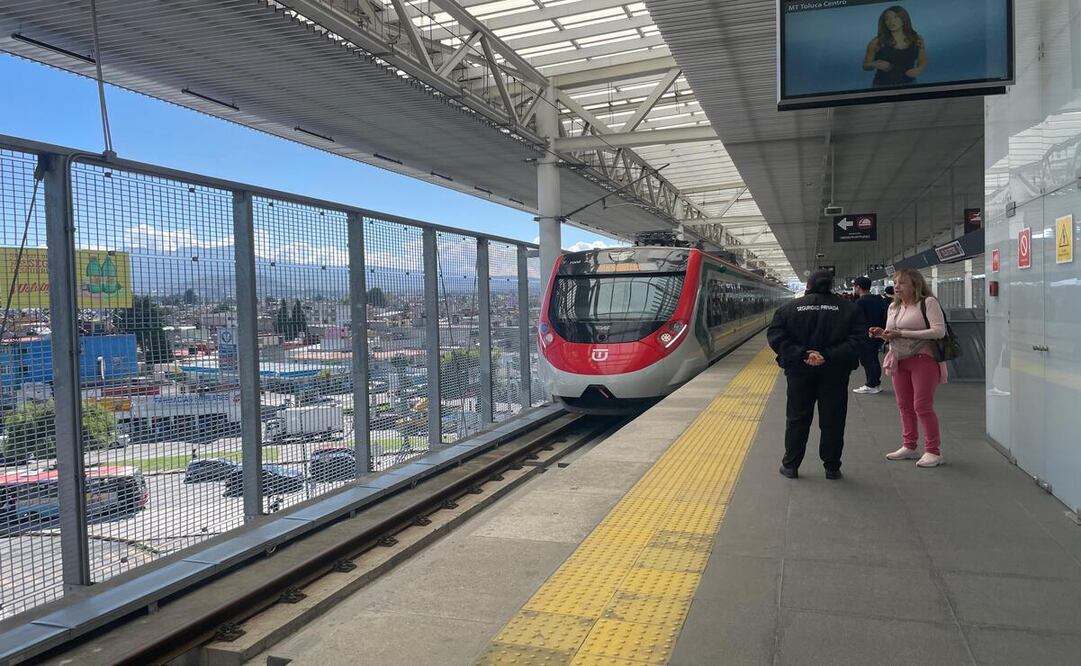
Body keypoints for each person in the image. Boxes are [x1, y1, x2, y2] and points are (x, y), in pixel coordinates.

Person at [767, 270, 866, 480]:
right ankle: (831, 467)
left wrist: (803, 354)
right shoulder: (849, 308)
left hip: (799, 372)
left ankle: (791, 465)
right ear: (830, 285)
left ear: (809, 285)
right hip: (835, 372)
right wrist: (827, 356)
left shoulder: (787, 309)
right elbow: (857, 340)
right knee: (833, 419)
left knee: (797, 418)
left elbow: (776, 337)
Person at [869, 269, 947, 468]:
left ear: (915, 285)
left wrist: (901, 333)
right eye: (895, 283)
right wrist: (882, 334)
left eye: (902, 283)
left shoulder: (928, 303)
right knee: (904, 405)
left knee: (922, 405)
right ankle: (909, 446)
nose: (897, 286)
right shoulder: (893, 307)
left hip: (923, 359)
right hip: (899, 359)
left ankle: (933, 451)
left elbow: (939, 331)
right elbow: (893, 333)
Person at [863, 6, 927, 87]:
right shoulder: (876, 42)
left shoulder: (916, 39)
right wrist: (875, 64)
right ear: (884, 22)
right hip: (882, 87)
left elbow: (922, 61)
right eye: (887, 19)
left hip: (910, 84)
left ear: (904, 19)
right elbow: (865, 65)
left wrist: (918, 70)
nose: (891, 21)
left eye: (896, 17)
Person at [853, 277, 888, 394]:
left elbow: (856, 320)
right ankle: (876, 383)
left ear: (858, 287)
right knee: (873, 359)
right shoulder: (879, 299)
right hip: (878, 333)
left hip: (865, 335)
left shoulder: (860, 302)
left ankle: (871, 384)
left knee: (867, 360)